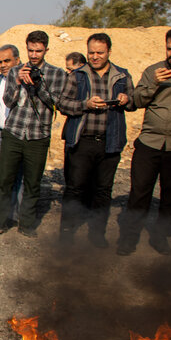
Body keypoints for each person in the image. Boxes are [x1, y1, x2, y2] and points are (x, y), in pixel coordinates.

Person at [116, 26, 171, 256]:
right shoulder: (152, 70)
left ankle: (161, 236)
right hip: (149, 142)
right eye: (169, 48)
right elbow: (134, 101)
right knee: (139, 193)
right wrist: (154, 84)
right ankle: (129, 237)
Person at [56, 33, 135, 248]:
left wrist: (127, 99)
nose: (95, 56)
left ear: (109, 51)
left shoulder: (122, 76)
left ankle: (97, 233)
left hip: (110, 140)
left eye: (100, 52)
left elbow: (133, 102)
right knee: (75, 188)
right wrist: (86, 105)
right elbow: (63, 104)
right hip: (83, 141)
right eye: (91, 52)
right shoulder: (78, 76)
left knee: (102, 190)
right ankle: (66, 232)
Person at [0, 30, 67, 237]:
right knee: (5, 180)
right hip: (13, 132)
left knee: (32, 182)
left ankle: (27, 224)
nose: (34, 55)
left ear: (46, 50)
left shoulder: (56, 74)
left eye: (38, 51)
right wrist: (20, 82)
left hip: (38, 135)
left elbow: (57, 103)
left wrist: (39, 85)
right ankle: (0, 221)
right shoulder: (15, 72)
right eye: (31, 50)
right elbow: (8, 101)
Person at [0, 44, 23, 228]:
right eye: (0, 61)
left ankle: (19, 215)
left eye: (7, 61)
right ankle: (5, 215)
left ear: (17, 60)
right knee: (6, 175)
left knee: (22, 175)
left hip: (20, 134)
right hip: (2, 133)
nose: (2, 65)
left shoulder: (26, 79)